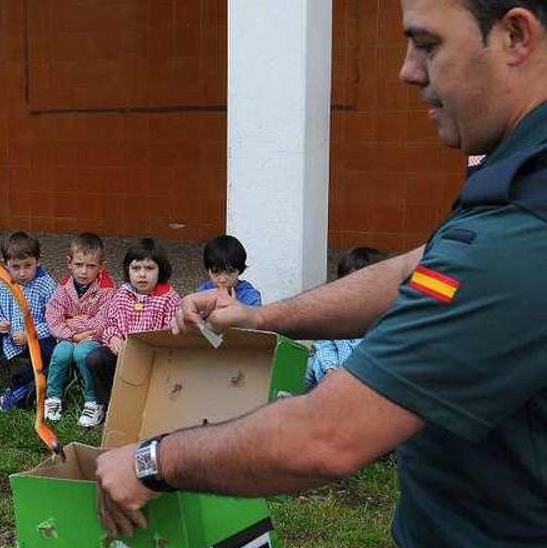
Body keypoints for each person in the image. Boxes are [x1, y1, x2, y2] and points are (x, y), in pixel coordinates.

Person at [94, 2, 547, 545]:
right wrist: (260, 316)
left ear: (515, 35)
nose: (407, 70)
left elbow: (327, 437)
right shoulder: (518, 176)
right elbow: (422, 265)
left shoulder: (523, 231)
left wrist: (151, 460)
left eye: (428, 44)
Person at [83, 238, 182, 427]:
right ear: (128, 271)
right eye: (136, 269)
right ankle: (109, 404)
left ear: (161, 270)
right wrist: (113, 338)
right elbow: (111, 322)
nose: (142, 275)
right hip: (123, 352)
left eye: (149, 268)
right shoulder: (122, 294)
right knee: (95, 358)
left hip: (154, 358)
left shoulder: (169, 298)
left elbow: (171, 335)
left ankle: (149, 409)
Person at [0, 232, 57, 411]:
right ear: (5, 265)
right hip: (8, 339)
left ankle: (17, 390)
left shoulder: (47, 286)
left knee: (51, 351)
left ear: (38, 261)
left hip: (34, 341)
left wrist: (30, 335)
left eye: (28, 266)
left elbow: (54, 322)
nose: (22, 272)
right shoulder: (2, 286)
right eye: (15, 267)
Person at [44, 233, 115, 426]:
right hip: (69, 338)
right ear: (69, 263)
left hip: (94, 339)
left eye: (91, 266)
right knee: (61, 353)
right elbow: (52, 317)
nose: (84, 271)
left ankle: (93, 401)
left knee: (83, 354)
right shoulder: (63, 288)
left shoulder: (107, 290)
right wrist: (72, 334)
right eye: (79, 264)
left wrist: (72, 321)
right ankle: (53, 397)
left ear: (101, 266)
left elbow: (103, 321)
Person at [305, 247, 388, 390]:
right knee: (307, 365)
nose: (353, 290)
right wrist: (329, 370)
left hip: (365, 382)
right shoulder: (335, 312)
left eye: (361, 284)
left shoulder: (384, 319)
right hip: (331, 374)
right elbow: (324, 345)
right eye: (347, 283)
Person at [194, 235, 262, 306]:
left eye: (230, 272)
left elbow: (255, 315)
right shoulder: (203, 292)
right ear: (208, 270)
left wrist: (236, 309)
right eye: (216, 272)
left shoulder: (250, 296)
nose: (222, 279)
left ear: (239, 269)